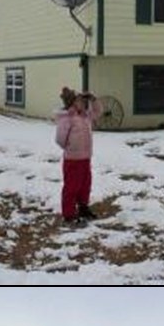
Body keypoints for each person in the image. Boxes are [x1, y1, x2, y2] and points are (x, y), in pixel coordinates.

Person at [54, 87, 103, 225]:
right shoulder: (67, 118)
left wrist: (93, 99)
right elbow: (60, 139)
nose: (83, 103)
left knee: (85, 184)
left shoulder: (85, 116)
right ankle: (68, 214)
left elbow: (98, 112)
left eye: (83, 101)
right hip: (73, 159)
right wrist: (70, 147)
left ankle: (83, 208)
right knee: (72, 186)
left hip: (86, 157)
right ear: (72, 103)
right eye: (80, 101)